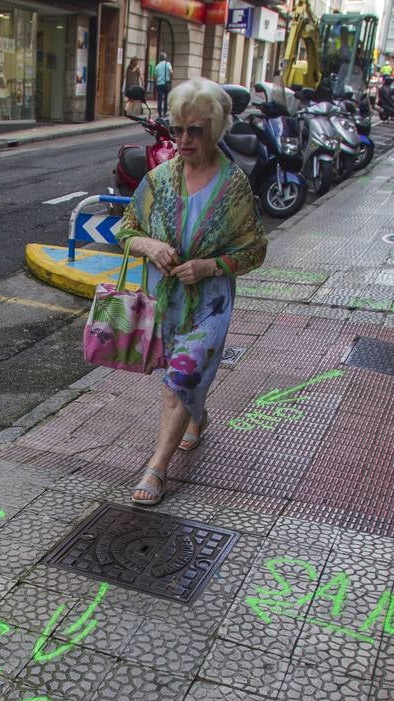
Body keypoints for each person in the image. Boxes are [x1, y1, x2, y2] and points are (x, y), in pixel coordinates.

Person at [117, 77, 268, 505]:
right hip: (166, 299)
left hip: (210, 302)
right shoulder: (159, 179)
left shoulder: (233, 186)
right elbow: (126, 230)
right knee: (186, 379)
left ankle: (156, 468)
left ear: (215, 131)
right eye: (178, 129)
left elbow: (255, 249)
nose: (183, 139)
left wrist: (209, 266)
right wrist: (150, 245)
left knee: (178, 379)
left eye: (195, 130)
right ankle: (197, 416)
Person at [153, 53, 173, 118]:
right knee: (166, 99)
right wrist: (170, 78)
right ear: (165, 58)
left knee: (160, 99)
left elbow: (155, 75)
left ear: (160, 58)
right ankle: (164, 112)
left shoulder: (157, 66)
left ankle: (159, 113)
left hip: (159, 84)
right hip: (166, 84)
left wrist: (156, 82)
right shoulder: (168, 64)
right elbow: (171, 72)